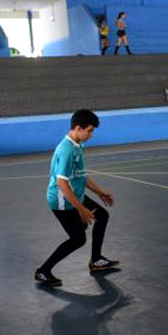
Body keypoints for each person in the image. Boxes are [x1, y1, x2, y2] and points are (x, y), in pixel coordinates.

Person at [35, 109, 120, 286]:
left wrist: (99, 192)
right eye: (89, 130)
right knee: (78, 239)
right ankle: (43, 271)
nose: (91, 134)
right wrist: (81, 209)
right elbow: (62, 183)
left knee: (102, 216)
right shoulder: (66, 150)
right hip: (62, 200)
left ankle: (96, 260)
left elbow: (81, 176)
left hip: (75, 195)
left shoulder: (77, 145)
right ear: (77, 128)